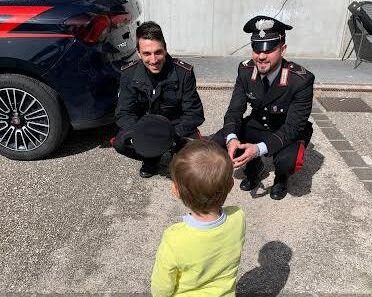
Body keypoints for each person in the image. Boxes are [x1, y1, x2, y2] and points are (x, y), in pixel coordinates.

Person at [213, 15, 315, 200]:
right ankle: (254, 168)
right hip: (258, 124)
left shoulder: (300, 80)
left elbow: (293, 128)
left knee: (287, 161)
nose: (261, 56)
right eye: (257, 48)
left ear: (282, 49)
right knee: (218, 142)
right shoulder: (245, 71)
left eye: (269, 49)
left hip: (285, 129)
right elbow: (234, 111)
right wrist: (232, 138)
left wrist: (258, 149)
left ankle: (281, 178)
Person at [151, 140, 246, 297]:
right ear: (231, 185)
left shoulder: (174, 238)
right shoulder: (238, 217)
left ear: (176, 191)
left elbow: (162, 286)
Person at [113, 21, 204, 178]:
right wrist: (140, 134)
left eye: (158, 52)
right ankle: (151, 158)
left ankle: (174, 153)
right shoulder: (129, 74)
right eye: (147, 54)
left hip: (175, 128)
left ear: (166, 48)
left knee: (197, 153)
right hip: (145, 128)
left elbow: (194, 114)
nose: (154, 60)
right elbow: (124, 113)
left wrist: (171, 136)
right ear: (138, 52)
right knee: (121, 143)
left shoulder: (184, 73)